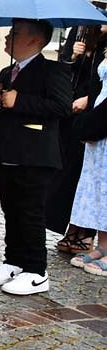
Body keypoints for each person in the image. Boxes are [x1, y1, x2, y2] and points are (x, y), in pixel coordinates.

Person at [0, 19, 72, 295]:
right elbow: (2, 109)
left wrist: (19, 100)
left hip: (36, 155)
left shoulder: (52, 70)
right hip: (8, 151)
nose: (7, 37)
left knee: (31, 212)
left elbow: (62, 107)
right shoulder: (6, 72)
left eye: (15, 33)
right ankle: (14, 260)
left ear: (35, 40)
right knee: (11, 209)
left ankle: (36, 270)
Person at [49, 21, 107, 253]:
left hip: (94, 111)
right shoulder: (81, 30)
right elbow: (63, 68)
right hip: (72, 110)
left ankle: (87, 234)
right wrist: (73, 56)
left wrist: (89, 100)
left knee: (90, 175)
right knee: (71, 173)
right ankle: (71, 228)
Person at [68, 54, 107, 276]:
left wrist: (92, 125)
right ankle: (103, 245)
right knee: (99, 189)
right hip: (99, 125)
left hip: (103, 122)